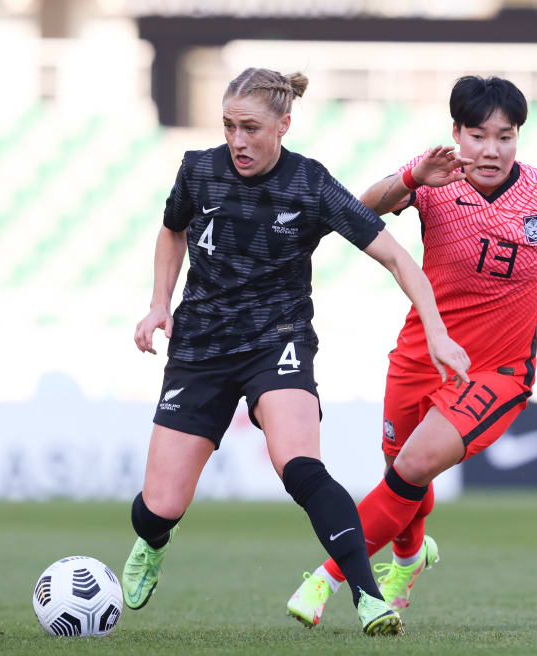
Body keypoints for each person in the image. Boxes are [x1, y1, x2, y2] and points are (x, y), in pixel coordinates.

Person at [126, 67, 472, 637]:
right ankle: (154, 541)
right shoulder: (197, 170)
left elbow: (398, 258)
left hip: (277, 340)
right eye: (230, 126)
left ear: (284, 125)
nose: (238, 140)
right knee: (158, 506)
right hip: (202, 347)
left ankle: (368, 598)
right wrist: (159, 302)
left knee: (301, 467)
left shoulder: (309, 184)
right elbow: (172, 230)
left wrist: (435, 328)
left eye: (252, 128)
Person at [286, 75, 537, 626]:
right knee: (401, 475)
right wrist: (410, 176)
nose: (492, 150)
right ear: (457, 133)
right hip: (418, 354)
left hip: (495, 372)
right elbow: (350, 212)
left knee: (412, 465)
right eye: (478, 135)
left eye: (506, 136)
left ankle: (327, 579)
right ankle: (407, 560)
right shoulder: (433, 180)